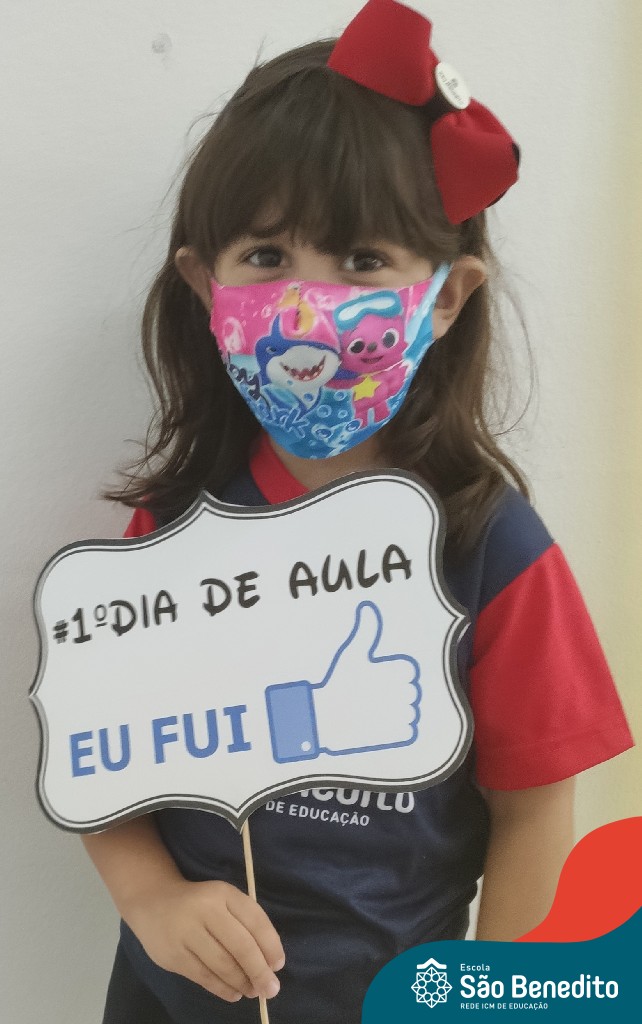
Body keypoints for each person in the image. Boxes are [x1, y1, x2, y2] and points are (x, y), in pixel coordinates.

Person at [83, 2, 634, 1022]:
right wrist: (151, 897)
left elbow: (534, 818)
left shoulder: (491, 551)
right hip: (167, 998)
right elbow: (98, 759)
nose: (311, 305)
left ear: (448, 296)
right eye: (267, 256)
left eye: (364, 261)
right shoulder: (170, 531)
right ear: (206, 285)